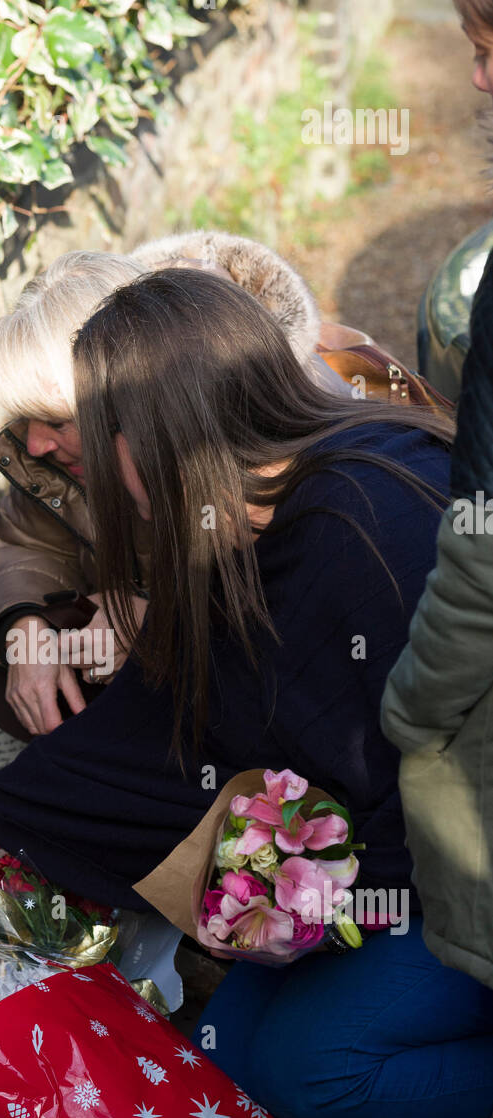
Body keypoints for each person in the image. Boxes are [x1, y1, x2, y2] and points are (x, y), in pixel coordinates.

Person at [0, 267, 493, 1118]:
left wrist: (328, 897)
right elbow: (158, 731)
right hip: (407, 862)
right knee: (227, 1060)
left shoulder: (358, 526)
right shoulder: (261, 510)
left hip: (458, 877)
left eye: (86, 431)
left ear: (154, 433)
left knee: (316, 1077)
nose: (48, 453)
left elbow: (398, 775)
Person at [0, 232, 376, 741]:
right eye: (25, 419)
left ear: (134, 399)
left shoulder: (261, 436)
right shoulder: (75, 445)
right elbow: (24, 543)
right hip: (167, 647)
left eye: (57, 421)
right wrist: (23, 626)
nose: (36, 443)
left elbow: (294, 602)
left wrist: (162, 620)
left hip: (281, 687)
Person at [380, 0, 493, 999]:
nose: (478, 81)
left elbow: (482, 555)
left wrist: (411, 712)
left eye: (492, 49)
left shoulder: (476, 288)